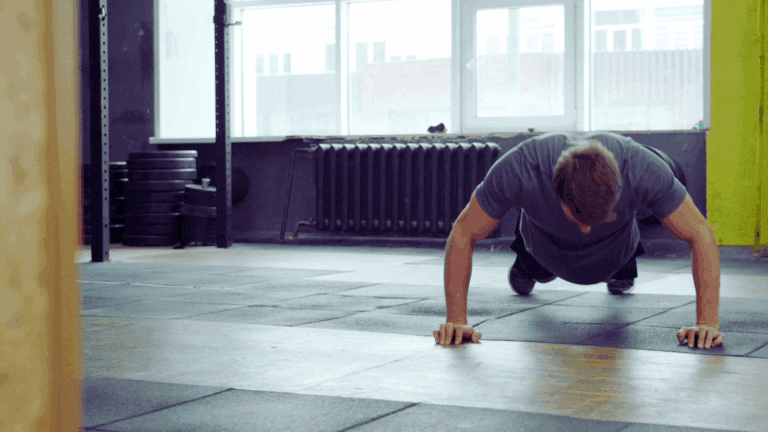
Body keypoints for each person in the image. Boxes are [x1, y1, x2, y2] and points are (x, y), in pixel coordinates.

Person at [433, 132, 724, 349]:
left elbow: (699, 232)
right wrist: (457, 320)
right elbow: (464, 231)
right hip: (542, 248)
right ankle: (527, 267)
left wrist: (707, 323)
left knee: (619, 278)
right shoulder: (521, 167)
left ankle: (618, 270)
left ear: (618, 191)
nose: (586, 230)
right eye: (578, 219)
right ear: (557, 195)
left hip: (616, 251)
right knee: (537, 268)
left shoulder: (642, 168)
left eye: (594, 220)